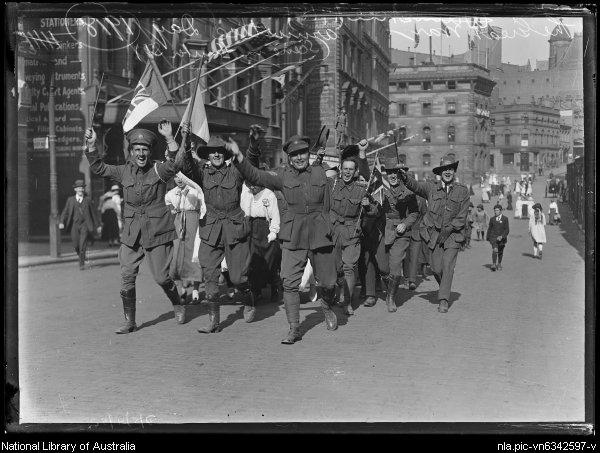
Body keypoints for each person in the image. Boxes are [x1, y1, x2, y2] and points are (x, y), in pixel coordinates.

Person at [230, 134, 338, 344]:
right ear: (289, 157)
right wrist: (240, 158)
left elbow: (333, 199)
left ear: (309, 153)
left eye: (302, 153)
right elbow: (256, 176)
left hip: (320, 234)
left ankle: (326, 305)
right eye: (294, 154)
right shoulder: (281, 175)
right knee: (289, 283)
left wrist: (329, 223)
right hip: (293, 235)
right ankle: (294, 328)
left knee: (329, 282)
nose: (299, 158)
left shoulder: (321, 172)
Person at [84, 121, 187, 333]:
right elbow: (98, 168)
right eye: (137, 150)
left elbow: (176, 164)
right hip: (132, 232)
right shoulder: (123, 172)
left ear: (149, 152)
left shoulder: (158, 170)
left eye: (144, 150)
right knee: (127, 274)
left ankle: (177, 302)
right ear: (130, 151)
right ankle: (129, 322)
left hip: (157, 230)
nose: (141, 154)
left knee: (161, 277)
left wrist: (169, 138)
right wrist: (92, 146)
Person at [178, 128, 254, 333]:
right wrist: (184, 141)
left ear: (225, 153)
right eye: (212, 151)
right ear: (208, 155)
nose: (217, 154)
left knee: (238, 278)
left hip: (234, 227)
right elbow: (186, 165)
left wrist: (253, 142)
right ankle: (213, 321)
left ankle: (248, 298)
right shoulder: (202, 173)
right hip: (211, 228)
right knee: (210, 275)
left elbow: (250, 165)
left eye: (220, 151)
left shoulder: (235, 171)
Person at [399, 154, 470, 313]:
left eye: (450, 169)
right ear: (440, 171)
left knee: (448, 266)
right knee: (437, 269)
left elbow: (462, 216)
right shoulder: (431, 187)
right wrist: (405, 178)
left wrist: (449, 228)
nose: (447, 172)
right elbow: (416, 186)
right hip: (433, 235)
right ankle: (444, 286)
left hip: (452, 235)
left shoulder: (462, 191)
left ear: (454, 171)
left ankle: (443, 299)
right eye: (444, 169)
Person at [329, 145, 374, 316]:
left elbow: (375, 210)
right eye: (345, 169)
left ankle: (347, 301)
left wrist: (368, 206)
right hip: (333, 232)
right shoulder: (331, 186)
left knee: (349, 267)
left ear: (356, 171)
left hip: (352, 233)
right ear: (340, 169)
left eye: (351, 169)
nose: (347, 172)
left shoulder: (361, 189)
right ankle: (339, 292)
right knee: (336, 269)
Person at [378, 158, 419, 312]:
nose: (392, 175)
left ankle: (391, 298)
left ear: (401, 174)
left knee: (395, 266)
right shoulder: (381, 189)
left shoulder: (408, 192)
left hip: (400, 232)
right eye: (389, 172)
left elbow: (414, 212)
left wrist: (405, 223)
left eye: (395, 172)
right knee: (382, 267)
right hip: (382, 230)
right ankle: (388, 284)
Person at [241, 168, 282, 304]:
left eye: (255, 184)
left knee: (269, 260)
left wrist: (273, 232)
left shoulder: (268, 194)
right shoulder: (247, 193)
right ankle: (256, 290)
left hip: (265, 227)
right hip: (251, 227)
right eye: (250, 184)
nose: (252, 187)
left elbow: (275, 215)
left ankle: (274, 286)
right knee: (253, 260)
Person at [165, 173, 205, 307]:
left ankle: (195, 290)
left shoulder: (195, 191)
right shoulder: (171, 193)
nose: (179, 180)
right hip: (178, 223)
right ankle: (181, 289)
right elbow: (168, 205)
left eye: (181, 177)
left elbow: (202, 204)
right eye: (176, 177)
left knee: (193, 254)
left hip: (193, 220)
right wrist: (172, 210)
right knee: (177, 255)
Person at [59, 179, 100, 270]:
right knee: (76, 245)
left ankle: (81, 264)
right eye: (78, 188)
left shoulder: (87, 200)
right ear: (75, 190)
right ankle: (81, 255)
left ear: (83, 189)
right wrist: (61, 221)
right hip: (74, 225)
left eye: (82, 188)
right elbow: (65, 212)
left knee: (82, 244)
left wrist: (98, 225)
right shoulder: (70, 200)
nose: (80, 190)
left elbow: (93, 214)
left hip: (84, 225)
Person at [406, 190, 429, 289]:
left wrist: (422, 226)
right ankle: (403, 277)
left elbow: (425, 213)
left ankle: (412, 280)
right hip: (401, 231)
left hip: (416, 231)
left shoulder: (421, 199)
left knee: (414, 256)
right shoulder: (401, 197)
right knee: (403, 257)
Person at [486, 204, 509, 271]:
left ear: (501, 211)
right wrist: (488, 237)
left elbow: (507, 230)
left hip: (502, 239)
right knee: (495, 250)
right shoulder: (492, 219)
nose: (495, 212)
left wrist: (502, 236)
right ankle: (493, 264)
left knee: (500, 252)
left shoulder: (505, 219)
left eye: (497, 210)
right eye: (495, 210)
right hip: (493, 238)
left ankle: (499, 263)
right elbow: (489, 228)